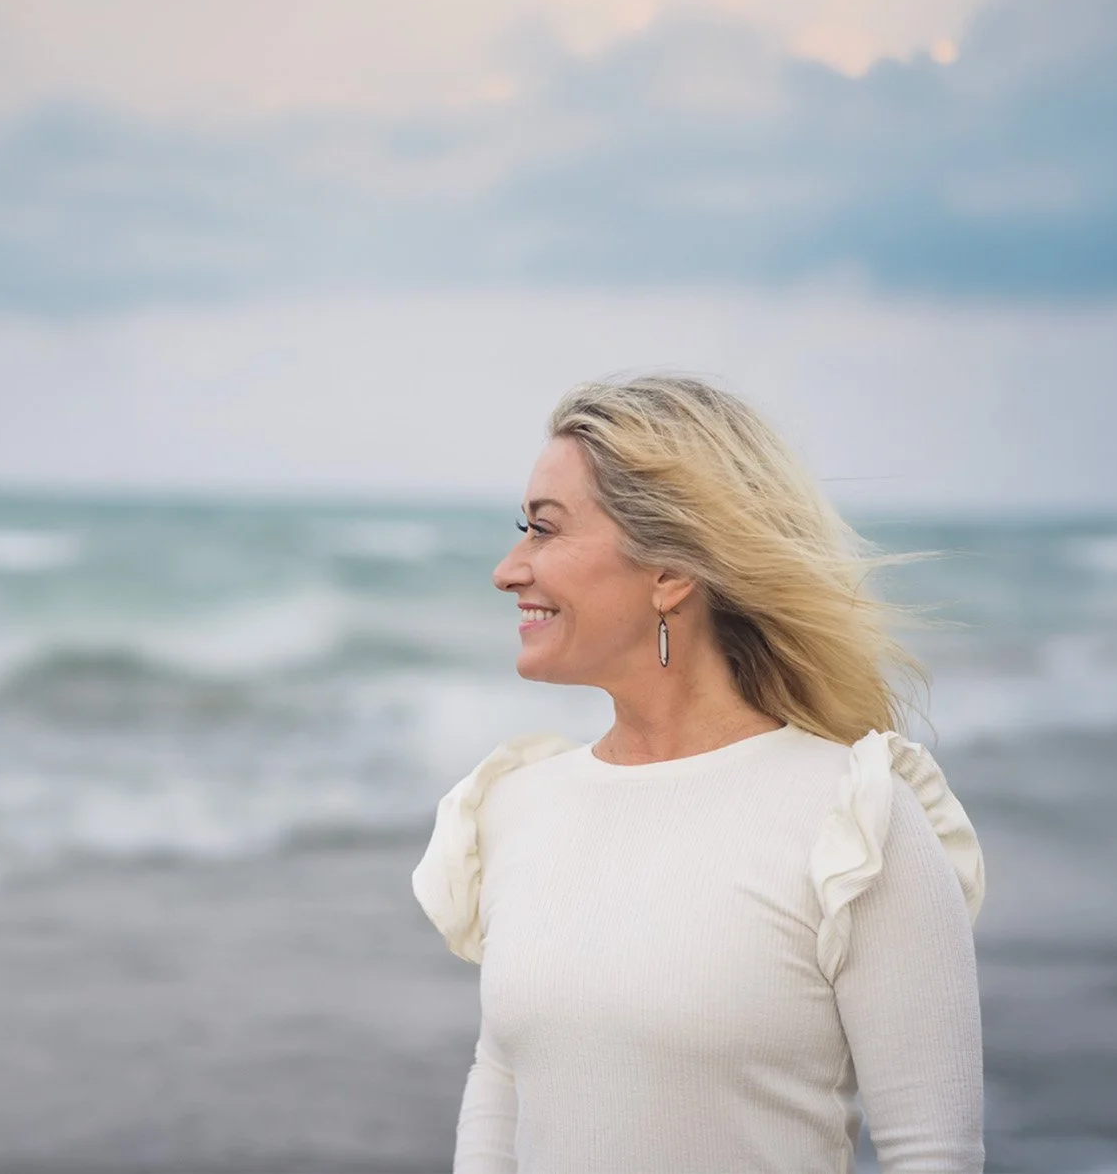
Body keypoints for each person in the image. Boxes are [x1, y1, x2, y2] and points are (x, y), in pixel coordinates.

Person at [411, 373, 986, 1173]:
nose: (510, 569)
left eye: (545, 530)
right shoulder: (515, 807)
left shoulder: (856, 817)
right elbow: (505, 1084)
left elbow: (933, 1155)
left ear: (670, 573)